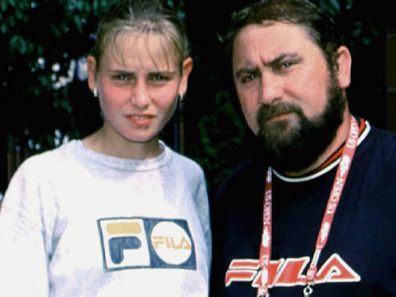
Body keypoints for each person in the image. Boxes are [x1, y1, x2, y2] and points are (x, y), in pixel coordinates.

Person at [0, 0, 211, 296]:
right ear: (93, 72)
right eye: (122, 77)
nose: (140, 98)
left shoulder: (190, 179)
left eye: (158, 78)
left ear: (183, 77)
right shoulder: (43, 179)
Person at [210, 0, 396, 296]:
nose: (268, 94)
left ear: (340, 67)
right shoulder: (233, 196)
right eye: (249, 77)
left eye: (285, 65)